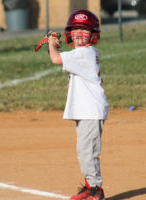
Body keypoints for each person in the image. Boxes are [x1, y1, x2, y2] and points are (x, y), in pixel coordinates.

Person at [48, 9, 109, 200]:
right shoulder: (82, 53)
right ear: (69, 33)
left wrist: (51, 44)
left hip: (91, 111)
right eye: (75, 29)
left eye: (84, 30)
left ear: (93, 35)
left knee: (88, 151)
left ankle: (96, 189)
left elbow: (56, 58)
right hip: (86, 109)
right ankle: (89, 185)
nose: (79, 34)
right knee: (84, 150)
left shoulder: (84, 54)